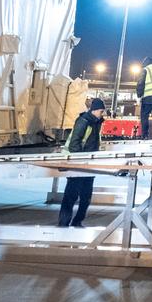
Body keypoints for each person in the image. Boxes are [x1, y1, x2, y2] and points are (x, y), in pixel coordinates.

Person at [59, 97, 106, 228]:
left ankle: (77, 221)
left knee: (86, 196)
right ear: (95, 110)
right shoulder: (83, 121)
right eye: (101, 111)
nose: (102, 114)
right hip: (78, 163)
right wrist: (79, 161)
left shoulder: (96, 122)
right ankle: (63, 222)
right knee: (71, 194)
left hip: (89, 163)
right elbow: (75, 143)